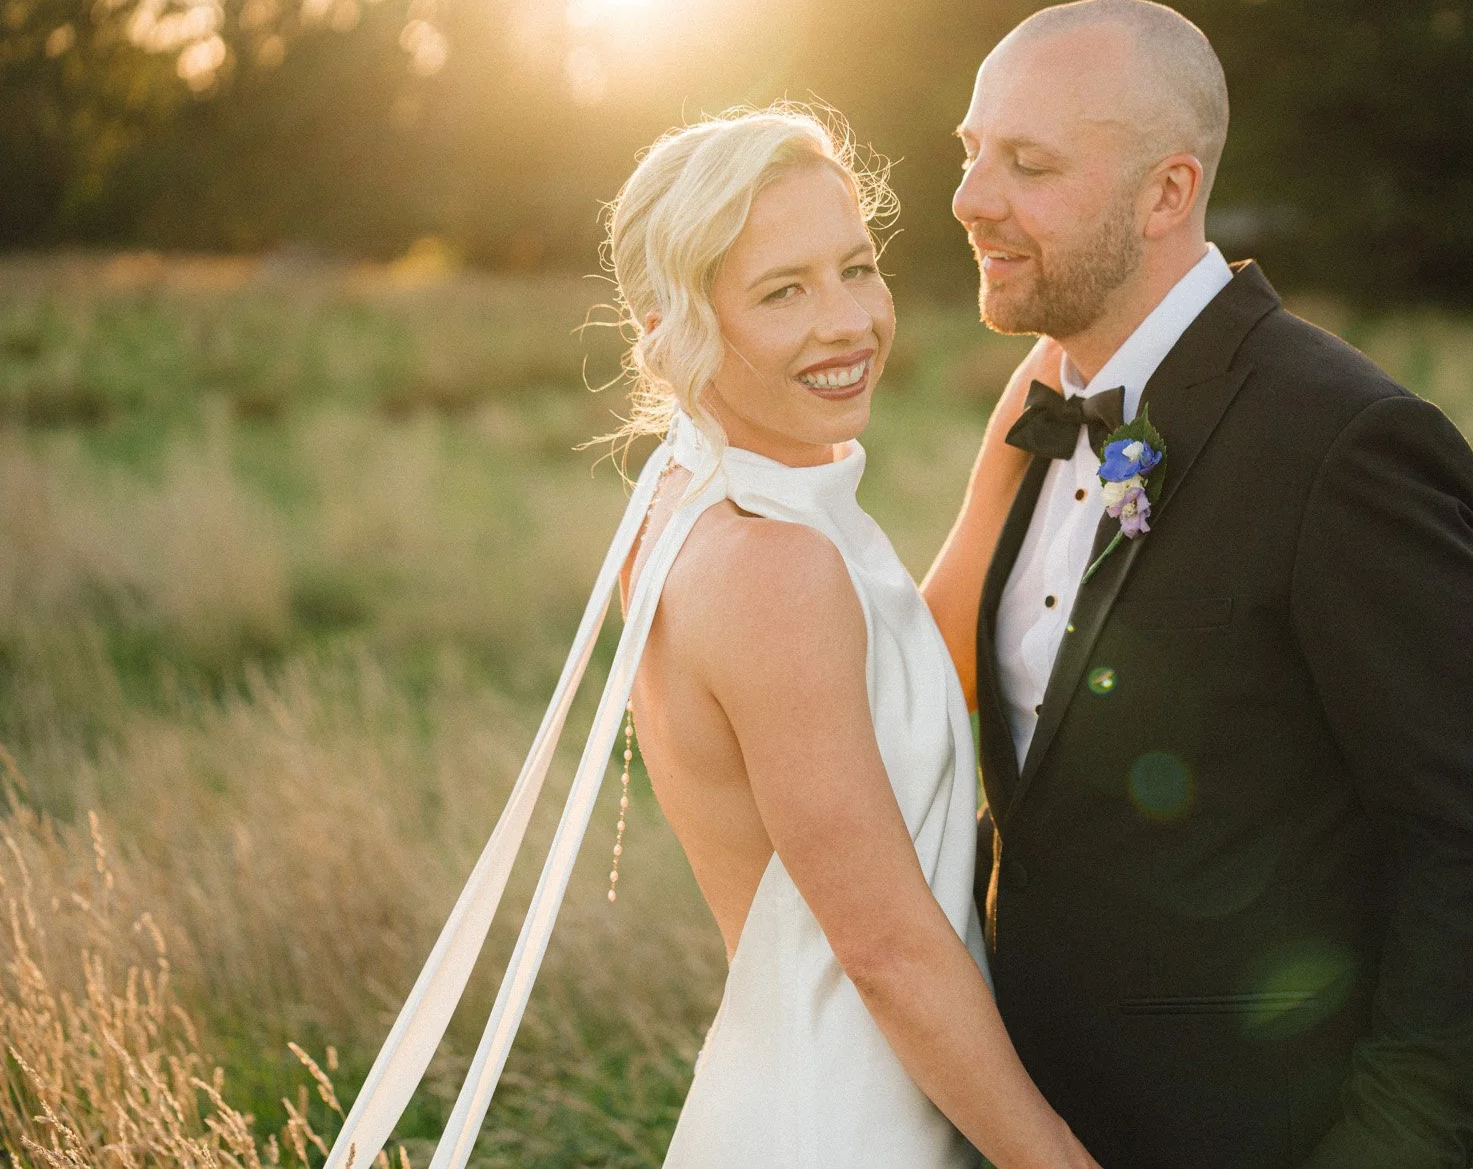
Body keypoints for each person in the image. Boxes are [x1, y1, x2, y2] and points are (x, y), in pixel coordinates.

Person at [318, 107, 1098, 1169]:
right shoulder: (776, 568)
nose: (847, 322)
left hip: (808, 1091)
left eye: (855, 268)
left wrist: (1032, 406)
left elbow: (907, 668)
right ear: (673, 327)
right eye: (782, 291)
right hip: (851, 1131)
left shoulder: (694, 496)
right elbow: (886, 951)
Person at [927, 0, 1473, 1167]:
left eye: (1027, 163)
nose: (968, 197)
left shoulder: (1347, 443)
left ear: (1165, 192)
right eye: (970, 151)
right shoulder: (1042, 407)